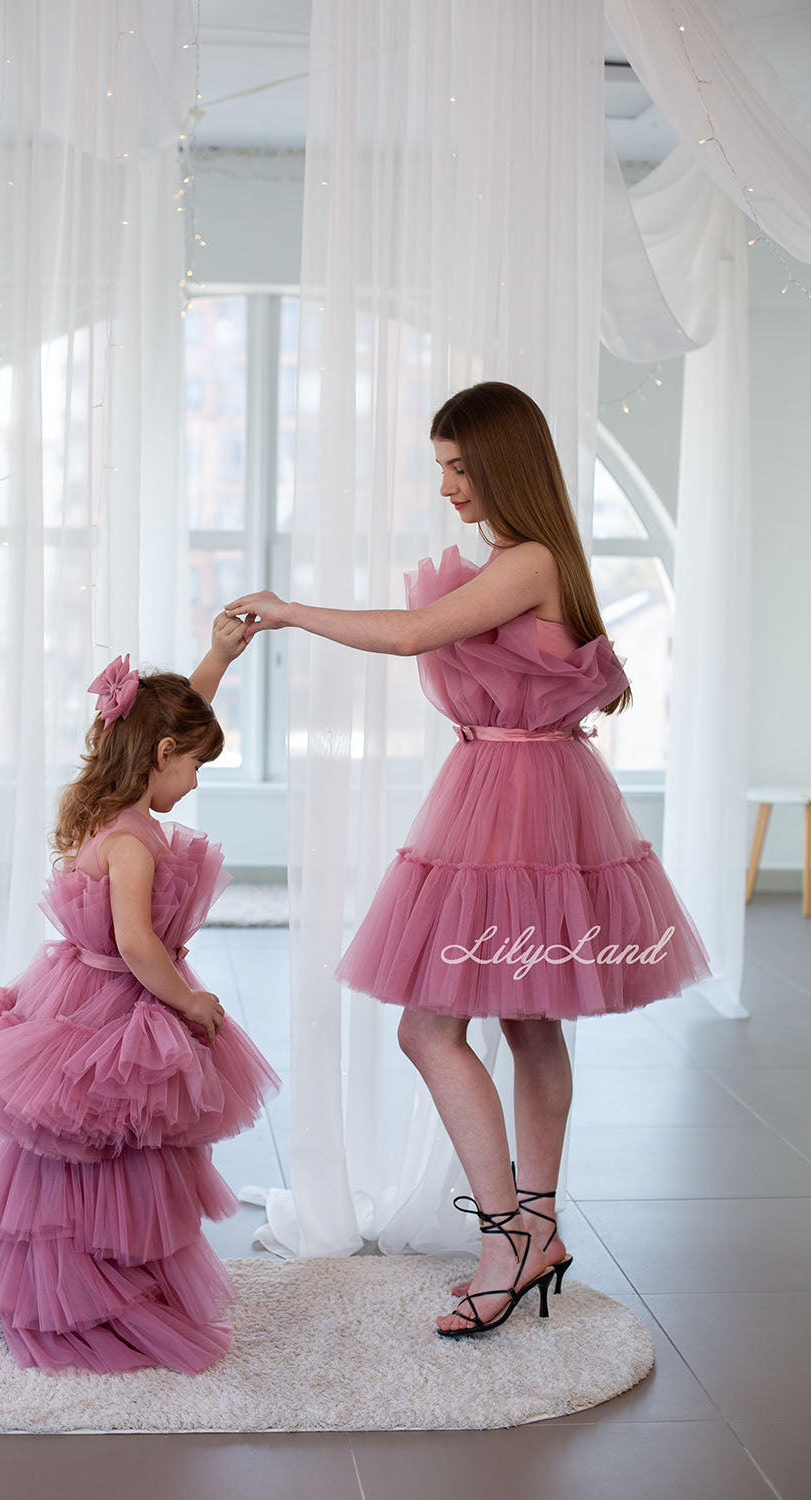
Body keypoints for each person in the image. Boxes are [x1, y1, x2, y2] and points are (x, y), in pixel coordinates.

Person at [224, 381, 711, 1340]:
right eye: (441, 467)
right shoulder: (535, 559)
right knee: (529, 1025)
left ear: (501, 465)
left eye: (457, 467)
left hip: (516, 810)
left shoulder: (530, 560)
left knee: (429, 1029)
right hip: (525, 793)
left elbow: (409, 634)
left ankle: (509, 1242)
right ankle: (536, 1224)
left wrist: (288, 609)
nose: (446, 486)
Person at [0, 614, 279, 1375]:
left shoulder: (115, 809)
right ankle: (92, 1286)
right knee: (116, 1150)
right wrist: (189, 1002)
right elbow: (137, 945)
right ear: (160, 756)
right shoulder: (134, 841)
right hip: (115, 1002)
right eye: (196, 768)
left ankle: (91, 1273)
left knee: (85, 1156)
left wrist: (216, 659)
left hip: (75, 991)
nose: (195, 782)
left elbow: (178, 717)